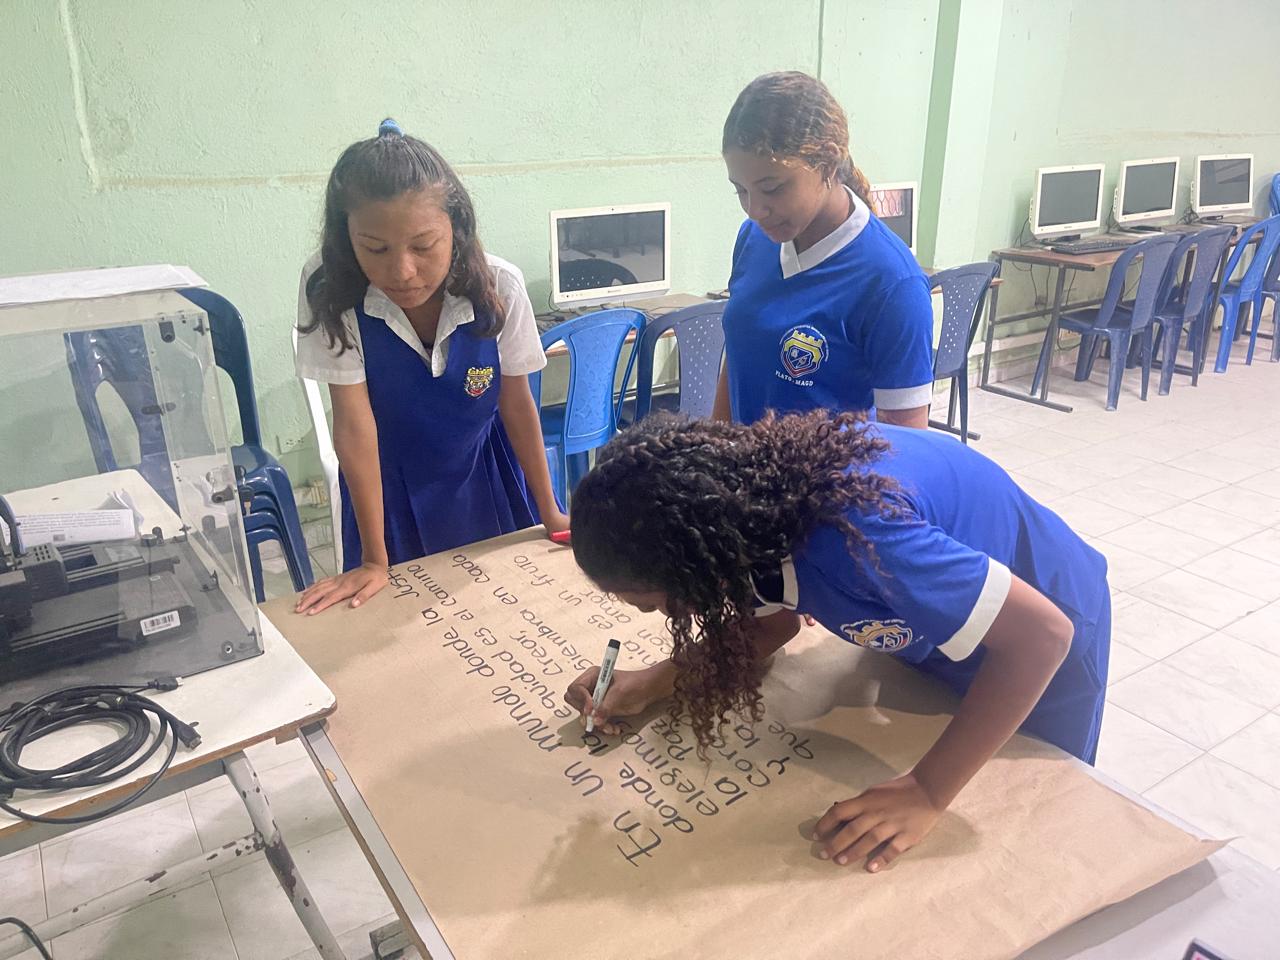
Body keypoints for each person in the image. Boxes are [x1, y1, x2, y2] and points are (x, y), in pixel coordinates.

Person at [564, 412, 1110, 873]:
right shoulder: (743, 512)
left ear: (691, 564)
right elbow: (770, 619)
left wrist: (928, 790)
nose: (657, 613)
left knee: (1033, 831)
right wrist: (654, 681)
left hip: (1042, 640)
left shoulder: (860, 534)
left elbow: (1041, 638)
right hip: (940, 636)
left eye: (652, 602)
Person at [294, 119, 568, 615]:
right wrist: (375, 560)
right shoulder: (329, 288)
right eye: (374, 248)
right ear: (345, 237)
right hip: (387, 488)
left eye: (424, 246)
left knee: (503, 610)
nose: (402, 271)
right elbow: (355, 427)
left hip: (484, 474)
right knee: (400, 621)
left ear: (456, 229)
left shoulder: (499, 286)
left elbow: (516, 402)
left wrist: (550, 511)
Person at [714, 72, 935, 429]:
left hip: (830, 483)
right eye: (740, 190)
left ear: (828, 163)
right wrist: (715, 454)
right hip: (745, 478)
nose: (754, 210)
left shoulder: (893, 284)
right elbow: (737, 357)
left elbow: (907, 447)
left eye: (771, 188)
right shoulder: (753, 239)